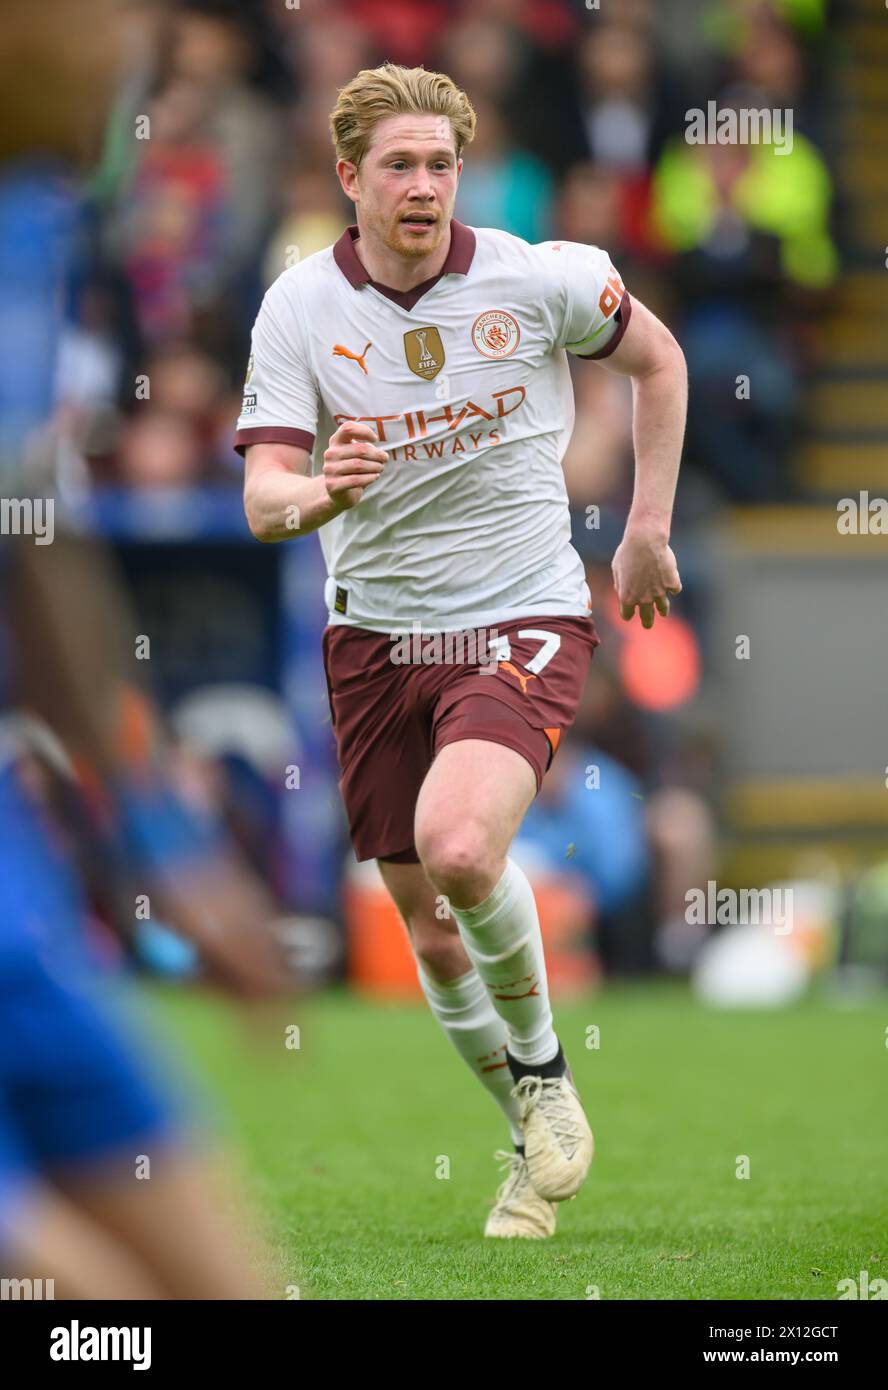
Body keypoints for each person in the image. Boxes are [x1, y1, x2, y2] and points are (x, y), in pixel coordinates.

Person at [237, 63, 686, 1239]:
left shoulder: (540, 279)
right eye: (399, 164)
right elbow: (261, 499)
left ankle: (543, 1078)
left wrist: (645, 527)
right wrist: (318, 493)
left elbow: (662, 363)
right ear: (350, 179)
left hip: (522, 612)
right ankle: (530, 1138)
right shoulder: (298, 308)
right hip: (375, 635)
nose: (425, 184)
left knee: (457, 846)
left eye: (442, 163)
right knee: (426, 922)